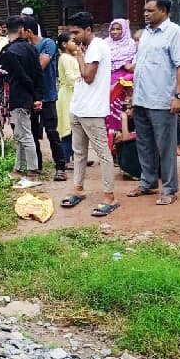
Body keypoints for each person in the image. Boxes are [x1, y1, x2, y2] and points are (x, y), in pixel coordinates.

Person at [128, 0, 180, 205]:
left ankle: (170, 188)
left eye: (150, 10)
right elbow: (139, 66)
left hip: (162, 99)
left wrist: (179, 96)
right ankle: (148, 182)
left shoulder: (175, 33)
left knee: (166, 146)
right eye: (145, 10)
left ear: (163, 11)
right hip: (142, 98)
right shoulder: (146, 33)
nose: (145, 13)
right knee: (144, 144)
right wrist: (132, 97)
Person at [60, 11, 118, 216]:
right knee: (79, 153)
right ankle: (78, 189)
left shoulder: (96, 47)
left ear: (88, 30)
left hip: (92, 110)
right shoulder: (88, 47)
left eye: (76, 32)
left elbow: (88, 76)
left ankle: (109, 196)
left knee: (102, 153)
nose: (73, 36)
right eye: (70, 32)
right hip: (78, 107)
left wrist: (79, 55)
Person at [0, 15, 43, 189]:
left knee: (25, 135)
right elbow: (37, 74)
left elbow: (22, 77)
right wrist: (37, 96)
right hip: (26, 96)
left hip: (18, 97)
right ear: (22, 30)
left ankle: (32, 173)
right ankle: (17, 169)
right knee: (20, 134)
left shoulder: (10, 52)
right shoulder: (29, 48)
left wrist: (32, 94)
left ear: (7, 30)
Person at [25, 16, 65, 180]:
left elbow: (41, 65)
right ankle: (37, 165)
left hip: (47, 96)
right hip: (30, 96)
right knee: (33, 133)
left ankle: (60, 167)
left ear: (28, 31)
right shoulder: (25, 47)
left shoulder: (47, 43)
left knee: (52, 132)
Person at [107, 19, 137, 141]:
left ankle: (121, 138)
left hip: (124, 82)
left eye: (118, 29)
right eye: (112, 29)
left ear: (124, 30)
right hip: (106, 80)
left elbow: (132, 66)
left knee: (122, 112)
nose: (115, 32)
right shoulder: (105, 43)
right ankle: (110, 141)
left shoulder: (131, 45)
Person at [56, 32, 79, 168]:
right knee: (67, 128)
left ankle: (75, 156)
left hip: (74, 94)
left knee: (74, 128)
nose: (75, 43)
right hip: (67, 95)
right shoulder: (64, 58)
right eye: (72, 41)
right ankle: (65, 159)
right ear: (64, 44)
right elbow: (71, 78)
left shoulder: (72, 57)